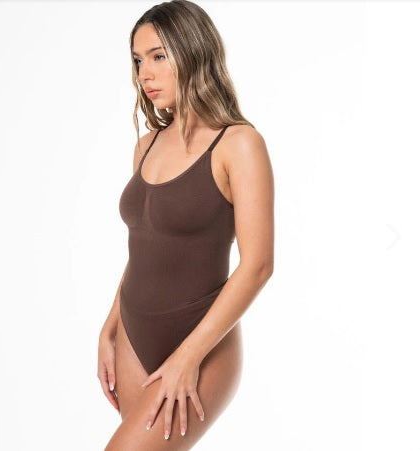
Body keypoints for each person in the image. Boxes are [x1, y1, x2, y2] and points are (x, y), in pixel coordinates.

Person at [98, 1, 274, 449]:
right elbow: (144, 247)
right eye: (138, 61)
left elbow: (258, 265)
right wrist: (109, 326)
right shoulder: (146, 146)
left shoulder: (239, 144)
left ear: (194, 51)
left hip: (204, 344)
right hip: (133, 335)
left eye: (158, 56)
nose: (145, 74)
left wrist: (187, 356)